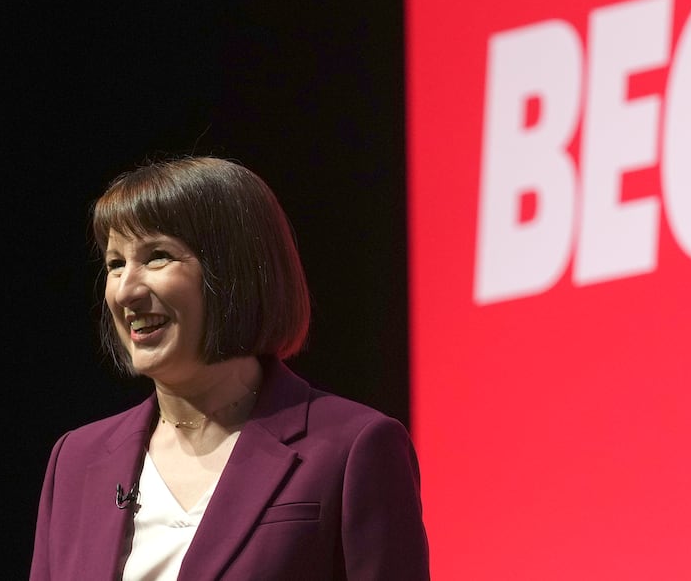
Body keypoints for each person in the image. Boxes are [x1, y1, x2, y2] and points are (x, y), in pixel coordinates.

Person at [30, 156, 430, 580]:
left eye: (157, 256)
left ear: (233, 271)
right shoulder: (75, 459)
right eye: (115, 264)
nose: (126, 290)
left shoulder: (353, 447)